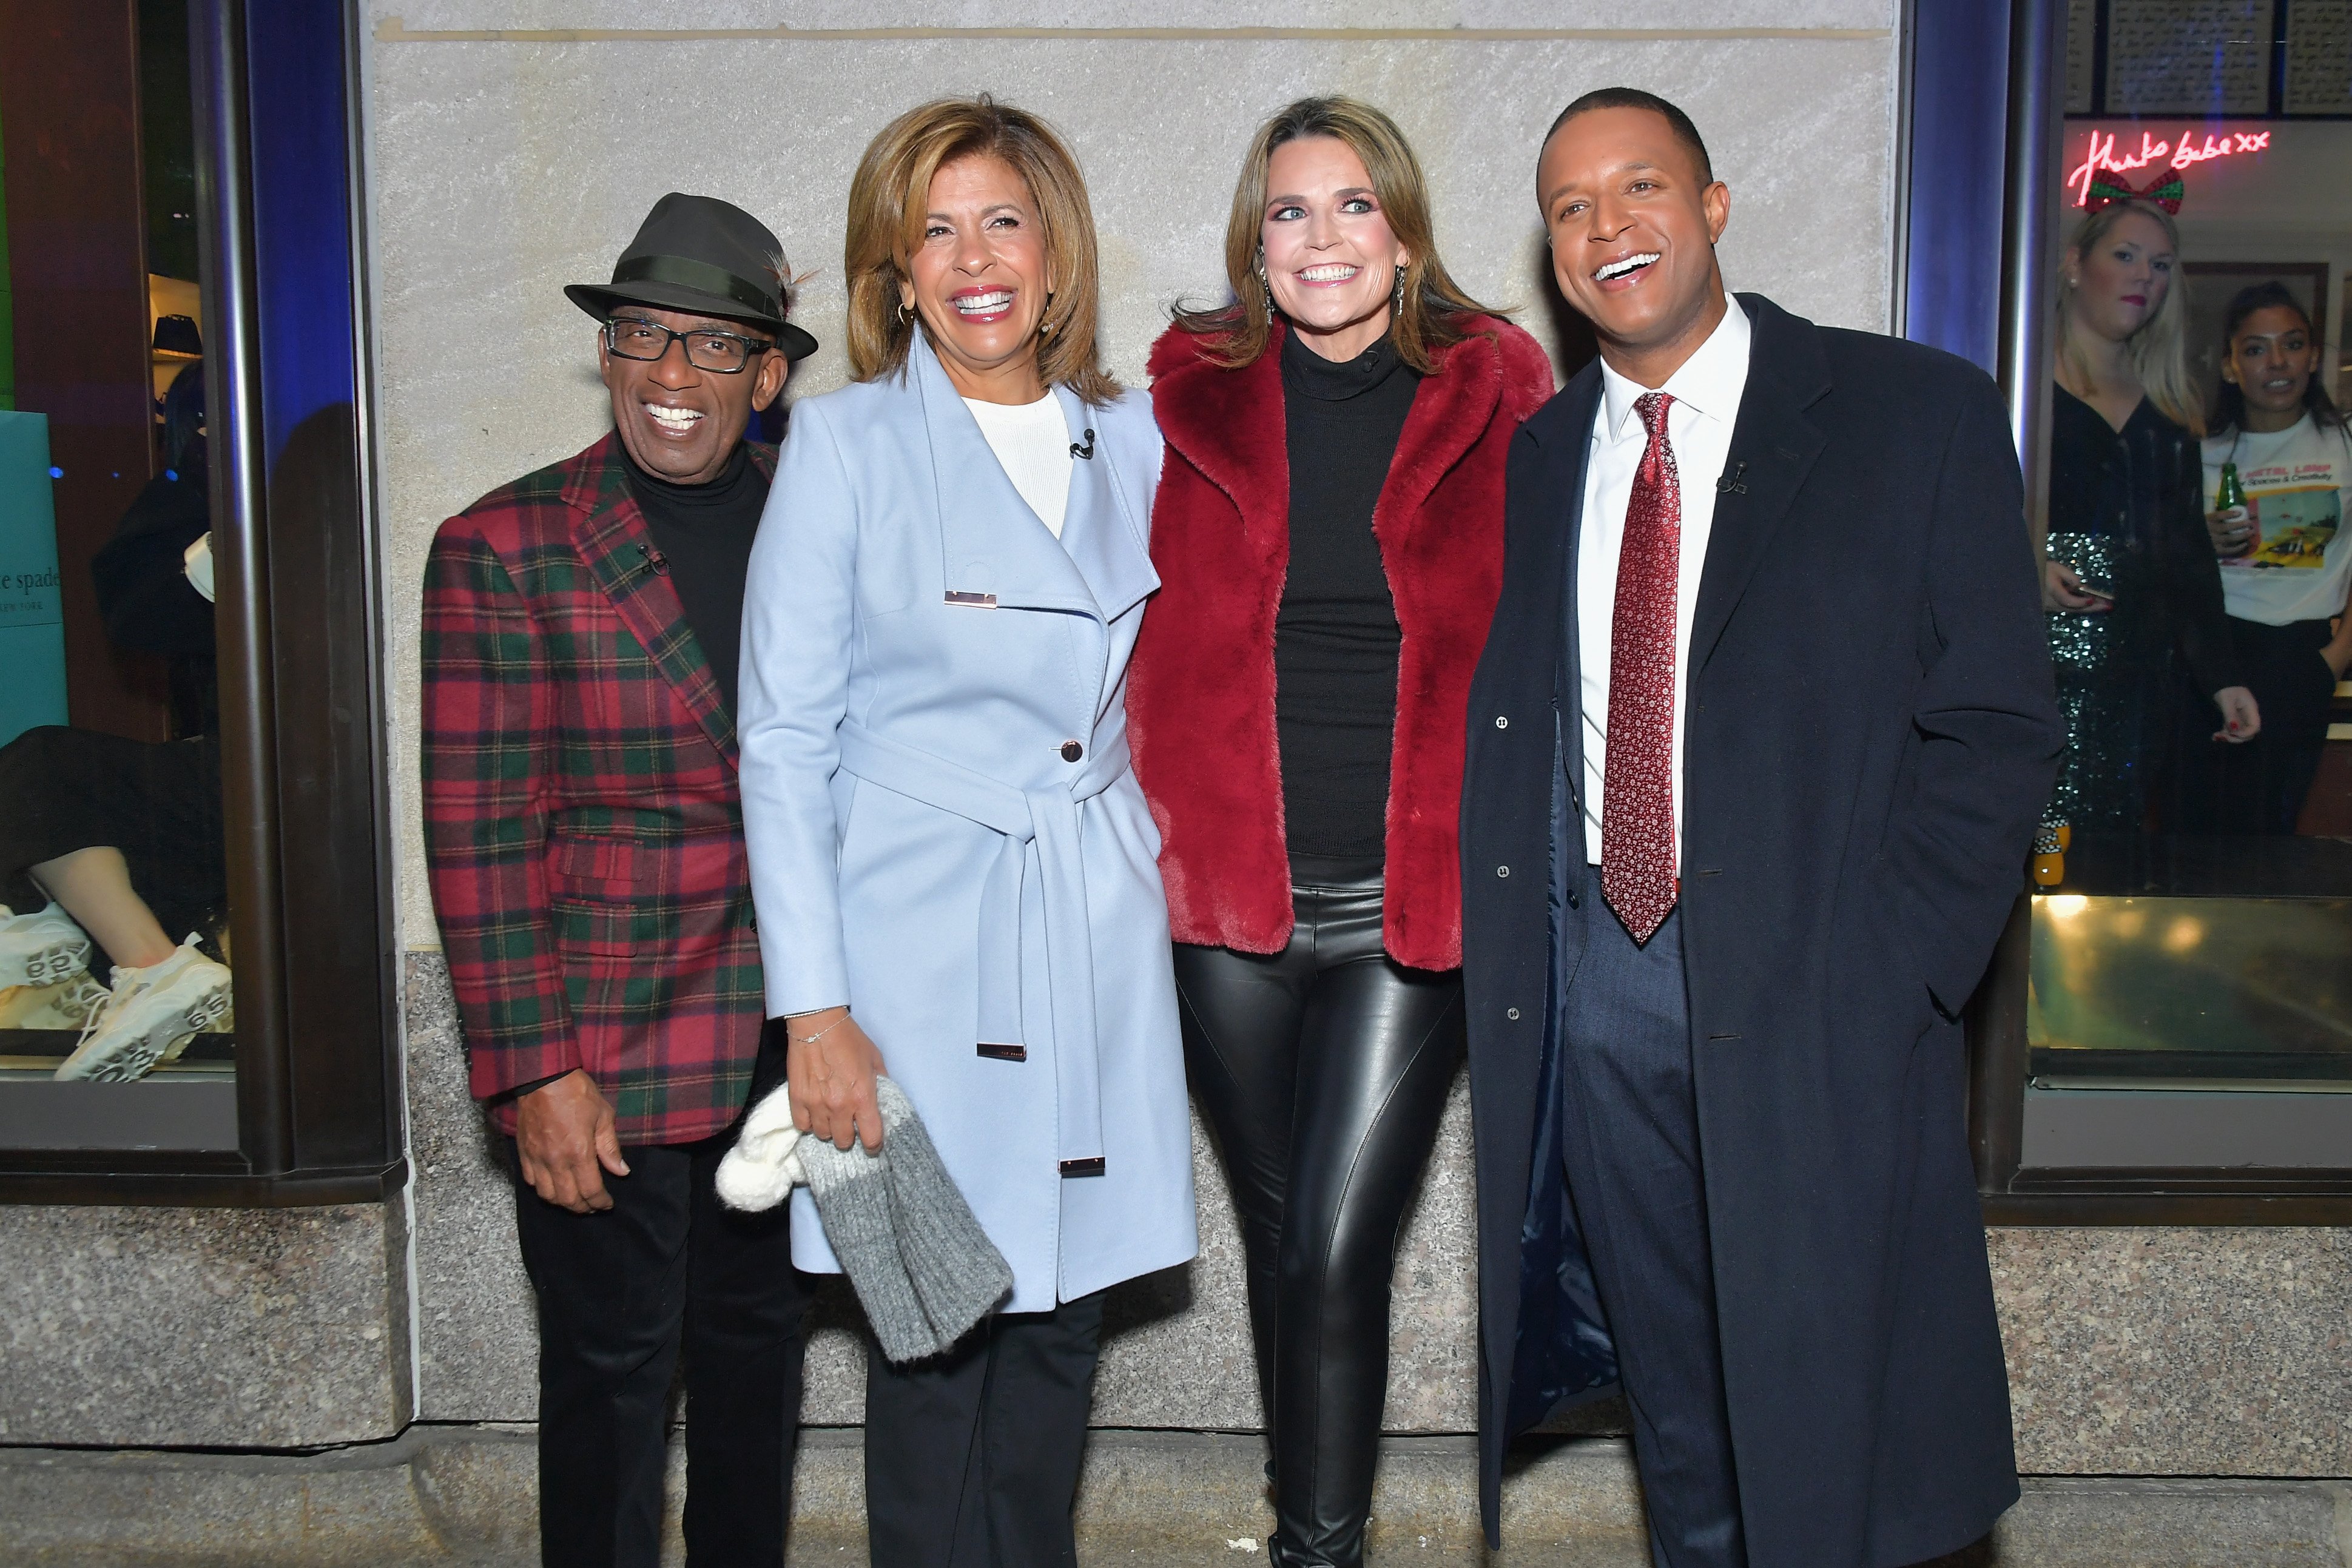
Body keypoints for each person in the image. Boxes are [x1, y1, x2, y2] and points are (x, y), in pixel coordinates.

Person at [1461, 89, 2064, 1566]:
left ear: (1712, 205)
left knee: (1828, 1420)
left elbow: (1992, 722)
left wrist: (1899, 967)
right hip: (1603, 989)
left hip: (1819, 990)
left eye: (1639, 187)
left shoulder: (1907, 412)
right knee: (1675, 1411)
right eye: (1569, 208)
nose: (1608, 229)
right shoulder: (1544, 459)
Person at [735, 97, 1195, 1568]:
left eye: (1001, 220)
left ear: (1055, 258)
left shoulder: (1131, 441)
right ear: (894, 273)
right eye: (931, 230)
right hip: (907, 963)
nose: (970, 257)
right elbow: (781, 739)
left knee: (1058, 1333)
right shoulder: (842, 445)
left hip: (1091, 934)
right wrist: (814, 1011)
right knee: (927, 1337)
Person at [1126, 95, 1551, 1568]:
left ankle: (1318, 1549)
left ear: (1404, 229)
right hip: (1220, 902)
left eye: (1352, 205)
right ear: (1255, 239)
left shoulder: (1500, 394)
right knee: (1284, 1244)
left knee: (1329, 1241)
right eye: (1290, 210)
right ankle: (1311, 1525)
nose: (1321, 237)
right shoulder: (1179, 402)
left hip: (1407, 902)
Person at [420, 192, 820, 1568]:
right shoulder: (502, 548)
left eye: (711, 347)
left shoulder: (823, 530)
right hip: (604, 1049)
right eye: (641, 335)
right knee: (608, 1388)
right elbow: (477, 832)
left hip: (791, 1043)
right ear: (607, 355)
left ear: (766, 375)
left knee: (758, 1374)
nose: (667, 373)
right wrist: (532, 1068)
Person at [0, 361, 233, 1077]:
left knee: (45, 766)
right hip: (237, 753)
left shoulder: (277, 499)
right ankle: (64, 947)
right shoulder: (187, 500)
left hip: (283, 768)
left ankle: (152, 966)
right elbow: (138, 612)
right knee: (38, 790)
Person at [2042, 193, 2257, 833]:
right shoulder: (2015, 382)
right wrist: (2022, 564)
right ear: (2075, 264)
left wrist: (2222, 679)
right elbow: (1962, 516)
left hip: (2138, 677)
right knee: (2019, 854)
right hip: (2032, 664)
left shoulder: (2168, 405)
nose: (2144, 276)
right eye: (2127, 256)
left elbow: (2187, 557)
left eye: (2161, 265)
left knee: (2107, 861)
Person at [2177, 281, 2352, 833]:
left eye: (2292, 344)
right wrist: (2196, 538)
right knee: (2195, 838)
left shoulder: (2345, 444)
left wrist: (2336, 657)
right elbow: (2168, 571)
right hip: (2211, 655)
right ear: (2230, 366)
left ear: (2313, 356)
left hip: (2302, 652)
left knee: (2270, 841)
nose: (2277, 362)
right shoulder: (2197, 455)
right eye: (2255, 348)